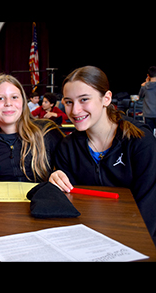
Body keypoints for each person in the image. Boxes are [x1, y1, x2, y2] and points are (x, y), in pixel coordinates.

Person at [49, 66, 156, 245]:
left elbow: (149, 210)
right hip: (88, 241)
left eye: (84, 100)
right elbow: (69, 205)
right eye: (68, 102)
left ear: (106, 98)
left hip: (133, 240)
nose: (75, 110)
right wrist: (54, 182)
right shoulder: (67, 148)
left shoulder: (140, 142)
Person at [0, 74, 64, 182]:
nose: (8, 103)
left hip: (41, 198)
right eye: (0, 98)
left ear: (23, 103)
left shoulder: (46, 131)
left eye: (14, 97)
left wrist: (60, 174)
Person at [139, 66, 156, 134]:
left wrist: (144, 84)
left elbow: (140, 97)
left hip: (148, 114)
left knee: (149, 134)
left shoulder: (145, 86)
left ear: (148, 75)